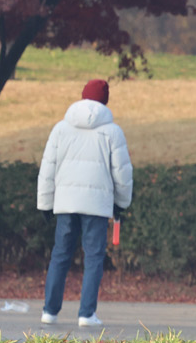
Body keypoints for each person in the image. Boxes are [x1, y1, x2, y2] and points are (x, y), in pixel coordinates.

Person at [37, 78, 134, 330]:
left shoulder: (61, 128)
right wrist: (121, 203)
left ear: (82, 97)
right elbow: (122, 173)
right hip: (97, 205)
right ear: (105, 101)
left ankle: (50, 311)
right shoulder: (113, 132)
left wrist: (45, 203)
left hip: (66, 203)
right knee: (93, 258)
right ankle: (86, 314)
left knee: (60, 255)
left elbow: (48, 168)